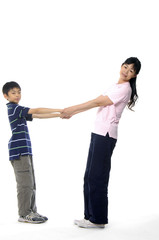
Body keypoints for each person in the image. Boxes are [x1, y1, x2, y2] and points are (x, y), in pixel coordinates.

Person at [61, 57, 141, 228]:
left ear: (134, 75)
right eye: (125, 66)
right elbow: (98, 99)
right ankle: (89, 216)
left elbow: (97, 102)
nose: (126, 71)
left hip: (106, 135)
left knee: (97, 177)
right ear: (121, 66)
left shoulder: (124, 89)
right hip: (98, 132)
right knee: (89, 175)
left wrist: (72, 109)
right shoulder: (116, 86)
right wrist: (73, 112)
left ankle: (98, 219)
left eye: (131, 70)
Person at [2, 81, 61, 224]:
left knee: (31, 182)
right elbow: (38, 110)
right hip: (19, 151)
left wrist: (59, 115)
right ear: (6, 96)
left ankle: (31, 211)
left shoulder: (19, 110)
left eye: (19, 92)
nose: (17, 95)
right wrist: (61, 109)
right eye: (13, 93)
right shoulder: (14, 108)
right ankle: (24, 214)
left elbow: (38, 116)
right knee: (24, 183)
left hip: (25, 151)